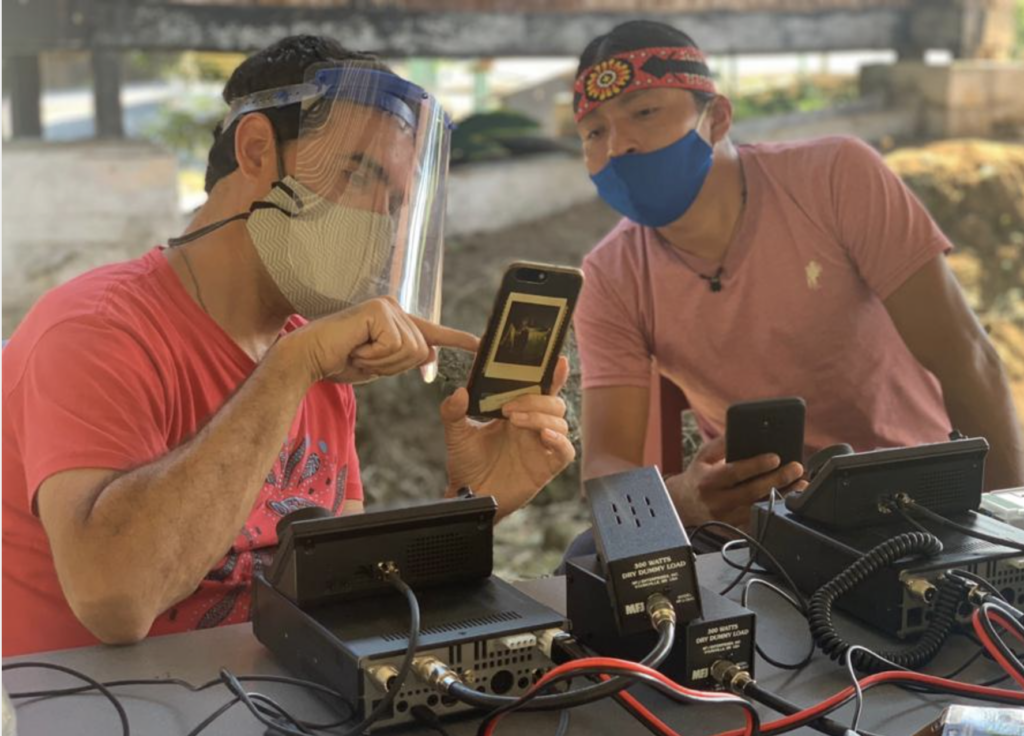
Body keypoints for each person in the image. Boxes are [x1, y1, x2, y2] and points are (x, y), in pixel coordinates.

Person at [2, 36, 575, 656]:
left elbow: (344, 597)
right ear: (255, 150)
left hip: (266, 703)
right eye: (359, 173)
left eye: (396, 201)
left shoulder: (312, 355)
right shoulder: (96, 330)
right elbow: (114, 599)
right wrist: (290, 370)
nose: (380, 223)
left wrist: (473, 508)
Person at [571, 21, 1023, 530]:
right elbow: (606, 467)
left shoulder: (834, 178)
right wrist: (681, 500)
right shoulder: (610, 276)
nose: (618, 146)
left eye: (644, 112)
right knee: (581, 561)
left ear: (717, 118)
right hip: (765, 524)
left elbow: (966, 357)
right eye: (594, 132)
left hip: (914, 497)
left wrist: (1003, 532)